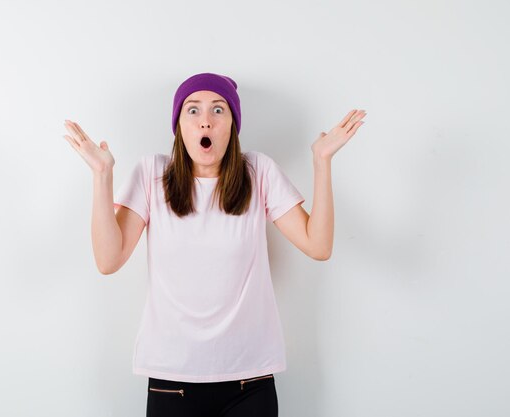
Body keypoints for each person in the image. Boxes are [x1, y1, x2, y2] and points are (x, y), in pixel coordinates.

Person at [63, 72, 366, 417]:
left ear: (233, 125)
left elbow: (318, 245)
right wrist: (102, 176)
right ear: (178, 126)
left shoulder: (258, 172)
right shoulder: (152, 174)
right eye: (193, 111)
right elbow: (108, 259)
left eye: (218, 110)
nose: (205, 121)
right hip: (171, 381)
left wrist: (322, 161)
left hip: (249, 382)